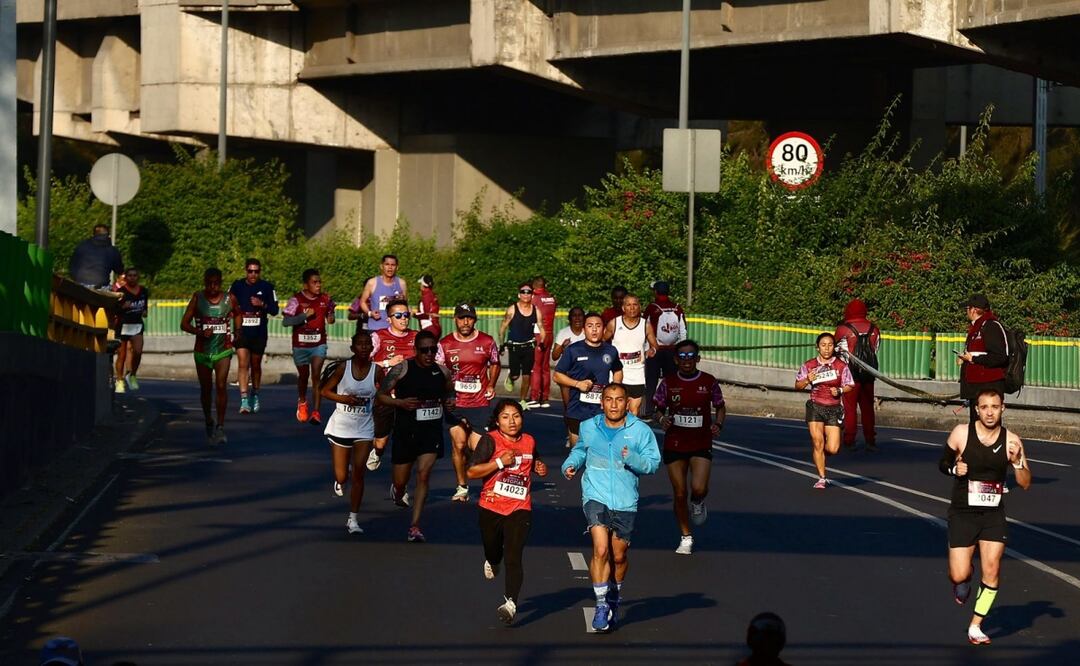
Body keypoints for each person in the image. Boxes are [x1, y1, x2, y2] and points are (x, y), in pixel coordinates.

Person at [561, 383, 661, 632]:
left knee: (618, 555)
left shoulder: (640, 431)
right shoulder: (589, 426)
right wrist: (570, 464)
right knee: (601, 548)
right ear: (601, 402)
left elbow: (653, 464)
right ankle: (602, 603)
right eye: (609, 399)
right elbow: (581, 450)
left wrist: (633, 459)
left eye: (619, 400)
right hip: (595, 493)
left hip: (626, 500)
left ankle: (615, 595)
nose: (614, 404)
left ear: (627, 403)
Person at [938, 388, 1031, 645]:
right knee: (958, 573)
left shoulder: (1012, 440)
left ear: (1003, 409)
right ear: (976, 410)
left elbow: (1025, 483)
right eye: (985, 407)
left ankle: (976, 625)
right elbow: (942, 463)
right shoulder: (961, 433)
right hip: (963, 513)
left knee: (991, 568)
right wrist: (955, 467)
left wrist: (1018, 462)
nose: (990, 412)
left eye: (995, 406)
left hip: (993, 514)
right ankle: (963, 583)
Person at [466, 399, 548, 625]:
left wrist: (539, 467)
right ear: (497, 420)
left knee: (514, 555)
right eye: (505, 417)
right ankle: (492, 560)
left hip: (520, 507)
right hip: (491, 506)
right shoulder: (489, 440)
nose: (512, 421)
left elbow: (534, 461)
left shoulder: (529, 440)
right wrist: (500, 463)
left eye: (516, 416)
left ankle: (510, 603)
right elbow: (472, 472)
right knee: (494, 551)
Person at [376, 330, 454, 542]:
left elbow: (449, 391)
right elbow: (381, 396)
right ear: (415, 350)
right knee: (401, 480)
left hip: (431, 431)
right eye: (424, 350)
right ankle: (398, 489)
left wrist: (449, 401)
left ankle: (415, 525)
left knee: (423, 475)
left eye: (433, 349)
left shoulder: (443, 372)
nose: (429, 354)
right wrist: (399, 403)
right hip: (406, 430)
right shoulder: (402, 369)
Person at [653, 339, 725, 555]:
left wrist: (718, 424)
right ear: (676, 360)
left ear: (698, 358)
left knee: (698, 488)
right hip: (675, 442)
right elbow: (657, 408)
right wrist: (661, 419)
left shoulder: (709, 381)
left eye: (690, 355)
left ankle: (699, 501)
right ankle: (686, 536)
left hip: (701, 441)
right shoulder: (668, 382)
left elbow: (720, 407)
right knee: (679, 492)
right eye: (682, 356)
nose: (686, 360)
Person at [320, 333, 382, 535]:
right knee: (342, 475)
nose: (364, 347)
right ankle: (340, 477)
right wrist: (344, 399)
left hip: (364, 427)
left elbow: (385, 394)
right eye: (360, 344)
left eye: (367, 344)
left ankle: (353, 518)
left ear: (372, 348)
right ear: (353, 348)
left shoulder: (377, 371)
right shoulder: (342, 368)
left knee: (359, 473)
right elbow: (324, 391)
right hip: (342, 426)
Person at [439, 303, 500, 503]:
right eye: (461, 318)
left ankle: (488, 486)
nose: (465, 322)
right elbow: (439, 371)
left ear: (474, 320)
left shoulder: (487, 341)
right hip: (454, 403)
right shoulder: (445, 344)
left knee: (479, 448)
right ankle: (462, 486)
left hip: (479, 402)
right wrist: (443, 395)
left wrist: (491, 384)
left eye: (469, 318)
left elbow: (495, 363)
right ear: (455, 319)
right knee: (458, 444)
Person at [180, 267, 238, 445]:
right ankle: (208, 419)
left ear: (221, 283)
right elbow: (184, 323)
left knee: (221, 385)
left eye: (216, 283)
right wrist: (199, 331)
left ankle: (220, 426)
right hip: (203, 351)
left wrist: (239, 330)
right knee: (206, 389)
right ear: (204, 282)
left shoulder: (230, 299)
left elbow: (239, 314)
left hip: (223, 350)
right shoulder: (198, 298)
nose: (213, 287)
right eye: (209, 283)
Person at [553, 312, 624, 447]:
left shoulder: (611, 350)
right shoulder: (573, 350)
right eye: (590, 326)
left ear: (604, 329)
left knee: (600, 450)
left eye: (598, 326)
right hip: (578, 408)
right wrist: (577, 384)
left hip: (602, 408)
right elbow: (557, 375)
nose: (594, 329)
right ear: (584, 330)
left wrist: (614, 389)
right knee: (578, 452)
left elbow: (618, 370)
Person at [794, 333, 854, 489]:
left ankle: (820, 454)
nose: (826, 348)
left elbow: (850, 385)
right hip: (815, 406)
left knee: (833, 448)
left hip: (834, 408)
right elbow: (797, 386)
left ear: (834, 347)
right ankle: (822, 477)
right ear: (817, 347)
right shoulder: (809, 365)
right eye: (823, 345)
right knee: (818, 442)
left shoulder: (841, 366)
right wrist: (808, 379)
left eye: (830, 345)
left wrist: (840, 390)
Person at [366, 298, 418, 471]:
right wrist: (388, 363)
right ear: (389, 319)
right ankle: (377, 452)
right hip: (385, 396)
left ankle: (400, 482)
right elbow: (363, 365)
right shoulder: (378, 337)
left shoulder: (416, 337)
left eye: (406, 315)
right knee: (381, 440)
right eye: (398, 315)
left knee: (406, 441)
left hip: (410, 397)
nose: (403, 319)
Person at [282, 269, 336, 424]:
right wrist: (304, 316)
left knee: (316, 375)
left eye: (319, 282)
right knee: (304, 376)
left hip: (318, 343)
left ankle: (316, 412)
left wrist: (331, 314)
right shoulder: (296, 300)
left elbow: (331, 320)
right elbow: (286, 322)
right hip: (300, 345)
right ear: (306, 285)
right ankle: (303, 400)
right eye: (314, 282)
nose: (318, 285)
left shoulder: (325, 299)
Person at [229, 258, 279, 414]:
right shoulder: (237, 286)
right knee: (243, 363)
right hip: (241, 331)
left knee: (255, 365)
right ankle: (244, 400)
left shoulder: (267, 287)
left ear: (260, 272)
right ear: (246, 271)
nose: (253, 274)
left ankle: (255, 394)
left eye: (256, 271)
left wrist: (262, 304)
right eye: (250, 271)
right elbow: (227, 303)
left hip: (259, 332)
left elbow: (275, 310)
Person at [835, 298, 880, 451]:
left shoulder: (843, 329)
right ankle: (870, 439)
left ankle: (849, 439)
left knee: (850, 407)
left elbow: (839, 354)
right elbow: (876, 349)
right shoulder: (874, 329)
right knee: (867, 407)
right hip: (869, 373)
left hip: (850, 374)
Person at [957, 294, 1009, 423]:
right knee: (977, 425)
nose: (966, 312)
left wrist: (973, 359)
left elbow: (1000, 357)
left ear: (974, 310)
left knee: (987, 425)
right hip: (976, 386)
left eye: (967, 308)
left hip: (988, 386)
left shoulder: (991, 326)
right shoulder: (977, 326)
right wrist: (966, 359)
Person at [603, 293, 657, 415]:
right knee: (617, 410)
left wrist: (652, 350)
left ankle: (629, 434)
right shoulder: (614, 323)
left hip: (637, 374)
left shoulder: (646, 325)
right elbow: (601, 341)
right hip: (617, 373)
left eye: (635, 305)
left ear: (639, 307)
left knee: (634, 411)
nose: (632, 308)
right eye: (628, 305)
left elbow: (655, 345)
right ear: (623, 308)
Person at [643, 280, 688, 418]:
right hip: (672, 350)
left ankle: (649, 411)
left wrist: (645, 349)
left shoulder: (652, 307)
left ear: (656, 292)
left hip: (655, 350)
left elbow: (644, 328)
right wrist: (681, 350)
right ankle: (672, 409)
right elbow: (683, 330)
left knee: (651, 381)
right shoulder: (677, 307)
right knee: (672, 382)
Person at [499, 282, 545, 408]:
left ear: (532, 295)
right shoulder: (512, 309)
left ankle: (523, 400)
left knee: (526, 375)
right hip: (514, 346)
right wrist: (502, 344)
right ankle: (511, 377)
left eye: (529, 292)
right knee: (516, 375)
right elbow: (503, 327)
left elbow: (541, 327)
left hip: (529, 346)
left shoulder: (536, 311)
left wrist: (542, 343)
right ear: (519, 295)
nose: (526, 294)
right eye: (523, 292)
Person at [551, 306, 587, 446]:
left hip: (585, 374)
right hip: (567, 375)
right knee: (569, 406)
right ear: (570, 318)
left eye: (580, 315)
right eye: (574, 315)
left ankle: (584, 434)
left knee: (586, 405)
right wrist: (562, 347)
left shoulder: (588, 331)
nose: (577, 318)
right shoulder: (563, 333)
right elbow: (554, 356)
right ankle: (570, 433)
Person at [112, 267, 148, 393]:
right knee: (121, 355)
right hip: (123, 325)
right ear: (126, 277)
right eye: (130, 275)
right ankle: (120, 380)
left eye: (135, 275)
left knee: (138, 351)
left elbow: (145, 307)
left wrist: (144, 311)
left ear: (138, 277)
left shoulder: (143, 291)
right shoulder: (121, 292)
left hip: (137, 325)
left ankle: (132, 374)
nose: (132, 278)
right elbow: (114, 310)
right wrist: (123, 308)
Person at [355, 254, 407, 333]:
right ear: (381, 266)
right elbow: (362, 301)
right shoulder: (372, 282)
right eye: (387, 264)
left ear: (397, 267)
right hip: (375, 328)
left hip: (395, 329)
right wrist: (370, 313)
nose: (390, 267)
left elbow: (405, 304)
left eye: (393, 265)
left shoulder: (401, 283)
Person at [527, 276, 558, 409]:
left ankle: (534, 397)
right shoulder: (551, 298)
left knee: (536, 367)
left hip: (538, 334)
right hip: (550, 334)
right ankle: (544, 398)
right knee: (545, 367)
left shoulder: (533, 298)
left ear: (534, 286)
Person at [69, 224, 123, 289]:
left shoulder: (82, 246)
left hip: (80, 285)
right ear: (108, 236)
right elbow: (119, 270)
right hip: (101, 286)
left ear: (93, 234)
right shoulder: (113, 251)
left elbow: (72, 265)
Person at [414, 274, 442, 339]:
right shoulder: (431, 295)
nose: (420, 286)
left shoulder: (426, 296)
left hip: (429, 328)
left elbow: (427, 315)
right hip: (434, 327)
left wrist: (413, 314)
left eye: (421, 284)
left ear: (423, 285)